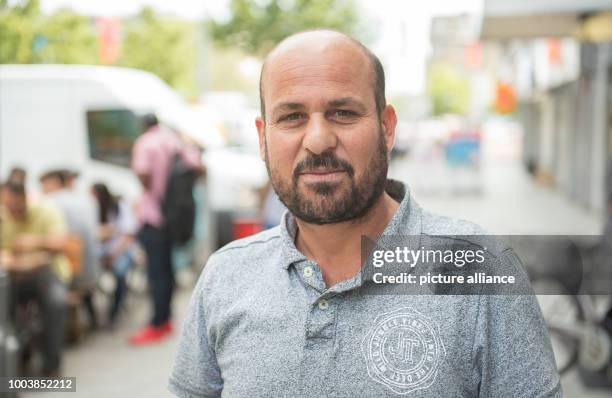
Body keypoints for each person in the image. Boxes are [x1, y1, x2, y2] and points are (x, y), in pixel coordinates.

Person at [169, 30, 561, 397]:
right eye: (292, 117)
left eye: (342, 113)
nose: (319, 140)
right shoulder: (225, 277)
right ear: (262, 138)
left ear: (387, 128)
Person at [129, 113, 202, 345]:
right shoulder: (174, 140)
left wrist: (153, 191)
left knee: (156, 272)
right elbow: (198, 167)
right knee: (167, 270)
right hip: (173, 218)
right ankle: (167, 320)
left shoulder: (145, 143)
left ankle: (157, 323)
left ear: (143, 125)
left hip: (153, 216)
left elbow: (142, 172)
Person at [0, 181, 69, 376]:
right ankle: (14, 358)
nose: (8, 210)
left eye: (11, 204)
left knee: (55, 302)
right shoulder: (3, 217)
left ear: (22, 197)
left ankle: (52, 363)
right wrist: (26, 260)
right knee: (3, 305)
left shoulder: (45, 211)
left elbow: (60, 243)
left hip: (47, 274)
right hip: (13, 277)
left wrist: (33, 243)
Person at [39, 169, 100, 329]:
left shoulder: (49, 202)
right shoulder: (87, 200)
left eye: (43, 184)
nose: (42, 188)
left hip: (71, 271)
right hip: (93, 268)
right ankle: (90, 317)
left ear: (54, 183)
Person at [90, 183, 138, 326]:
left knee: (120, 274)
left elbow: (128, 236)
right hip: (100, 255)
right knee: (85, 279)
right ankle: (93, 317)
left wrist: (113, 254)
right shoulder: (93, 212)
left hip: (119, 251)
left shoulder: (120, 208)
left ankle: (115, 313)